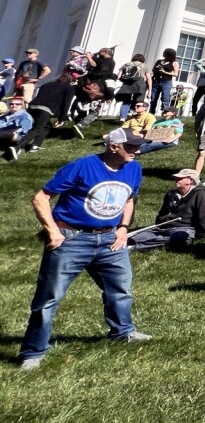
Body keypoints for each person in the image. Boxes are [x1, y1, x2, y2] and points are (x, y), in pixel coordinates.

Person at [18, 127, 151, 370]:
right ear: (114, 147)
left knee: (120, 290)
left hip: (110, 239)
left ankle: (123, 332)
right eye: (131, 146)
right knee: (49, 298)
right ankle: (33, 352)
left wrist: (123, 228)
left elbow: (129, 199)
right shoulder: (82, 166)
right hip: (72, 238)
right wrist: (53, 231)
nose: (137, 151)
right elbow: (40, 197)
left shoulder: (134, 168)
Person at [129, 168, 205, 251]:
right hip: (163, 228)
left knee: (179, 238)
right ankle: (130, 242)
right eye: (176, 178)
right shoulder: (170, 194)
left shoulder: (199, 195)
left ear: (190, 180)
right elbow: (162, 213)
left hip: (184, 229)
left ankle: (135, 247)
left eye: (180, 178)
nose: (176, 180)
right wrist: (161, 223)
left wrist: (203, 235)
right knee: (135, 236)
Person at [14, 73, 78, 154]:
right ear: (71, 81)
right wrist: (61, 119)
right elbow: (66, 104)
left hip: (32, 107)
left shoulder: (47, 84)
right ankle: (17, 147)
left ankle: (36, 145)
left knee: (46, 126)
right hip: (45, 109)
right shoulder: (69, 88)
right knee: (37, 129)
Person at [115, 54, 150, 121]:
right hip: (139, 84)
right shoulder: (144, 66)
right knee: (137, 100)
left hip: (127, 83)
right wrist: (149, 89)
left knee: (126, 101)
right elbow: (149, 78)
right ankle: (131, 111)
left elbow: (118, 76)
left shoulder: (126, 64)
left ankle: (122, 117)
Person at [149, 48, 178, 113]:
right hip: (156, 81)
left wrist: (164, 72)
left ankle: (165, 112)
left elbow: (175, 74)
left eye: (165, 52)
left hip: (166, 82)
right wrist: (157, 69)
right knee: (153, 97)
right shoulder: (159, 61)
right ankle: (152, 111)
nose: (163, 53)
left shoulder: (174, 63)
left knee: (165, 97)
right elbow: (153, 70)